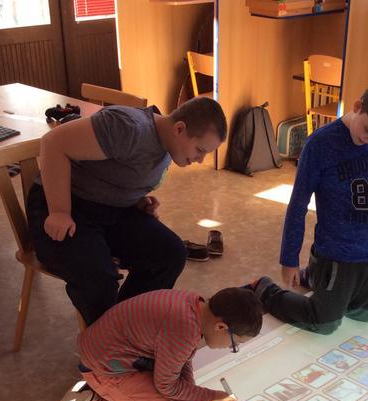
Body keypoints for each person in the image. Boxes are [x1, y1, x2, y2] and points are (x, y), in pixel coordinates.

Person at [26, 97, 228, 325]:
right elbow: (53, 142)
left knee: (170, 254)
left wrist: (135, 200)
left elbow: (115, 173)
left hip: (109, 210)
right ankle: (106, 339)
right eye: (200, 150)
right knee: (98, 277)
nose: (200, 160)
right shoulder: (128, 127)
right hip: (63, 204)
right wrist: (60, 211)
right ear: (179, 129)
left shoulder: (169, 148)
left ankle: (126, 325)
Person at [247, 79, 368, 334]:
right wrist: (289, 259)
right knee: (324, 323)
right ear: (357, 107)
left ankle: (315, 276)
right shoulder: (320, 144)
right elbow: (298, 204)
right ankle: (265, 289)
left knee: (367, 315)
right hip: (337, 253)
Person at [56, 287, 263, 401]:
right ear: (221, 327)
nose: (229, 348)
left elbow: (183, 359)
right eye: (234, 344)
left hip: (118, 356)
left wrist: (188, 399)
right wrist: (207, 398)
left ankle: (106, 393)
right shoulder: (183, 330)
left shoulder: (195, 306)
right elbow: (167, 385)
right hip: (103, 369)